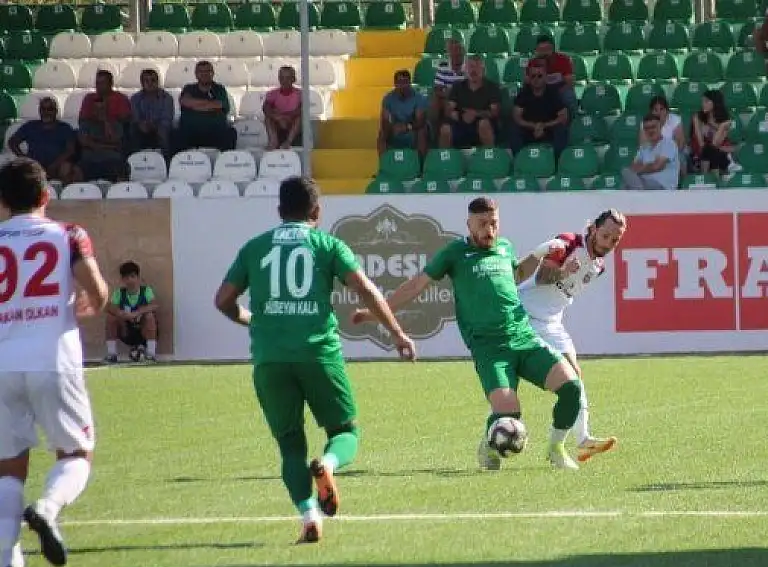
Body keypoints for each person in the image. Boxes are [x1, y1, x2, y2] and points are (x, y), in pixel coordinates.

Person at [213, 176, 415, 545]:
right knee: (345, 433)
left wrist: (250, 319)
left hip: (270, 360)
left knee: (290, 445)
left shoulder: (255, 247)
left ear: (279, 211)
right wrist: (398, 334)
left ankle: (309, 515)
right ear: (317, 212)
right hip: (319, 354)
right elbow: (365, 289)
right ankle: (329, 465)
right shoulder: (328, 245)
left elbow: (223, 300)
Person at [352, 197, 585, 471]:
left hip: (523, 336)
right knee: (508, 415)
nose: (489, 230)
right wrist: (376, 312)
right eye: (483, 224)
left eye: (494, 223)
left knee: (572, 388)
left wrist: (537, 254)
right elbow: (415, 286)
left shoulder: (504, 247)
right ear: (469, 224)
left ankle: (556, 448)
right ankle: (488, 445)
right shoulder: (454, 253)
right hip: (490, 348)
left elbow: (517, 274)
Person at [0, 157, 110, 567]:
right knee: (76, 455)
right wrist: (91, 301)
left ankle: (7, 562)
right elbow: (97, 290)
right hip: (52, 359)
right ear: (46, 196)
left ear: (3, 201)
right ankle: (47, 508)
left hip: (3, 361)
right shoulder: (68, 235)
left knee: (8, 467)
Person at [516, 210, 626, 463]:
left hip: (551, 322)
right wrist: (564, 270)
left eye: (615, 240)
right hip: (524, 315)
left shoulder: (599, 267)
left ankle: (582, 439)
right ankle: (500, 431)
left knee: (575, 375)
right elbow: (543, 278)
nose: (609, 243)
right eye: (606, 235)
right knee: (520, 377)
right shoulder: (566, 243)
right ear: (593, 229)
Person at [8, 97, 79, 185]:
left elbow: (70, 150)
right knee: (17, 167)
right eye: (43, 109)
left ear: (56, 111)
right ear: (39, 110)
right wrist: (25, 159)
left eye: (50, 109)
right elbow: (12, 142)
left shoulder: (65, 128)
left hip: (56, 167)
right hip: (33, 166)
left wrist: (55, 164)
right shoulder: (30, 126)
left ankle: (63, 193)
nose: (46, 112)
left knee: (67, 167)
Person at [174, 60, 237, 153]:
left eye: (208, 71)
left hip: (215, 133)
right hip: (191, 133)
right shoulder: (189, 88)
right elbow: (185, 102)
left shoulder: (219, 89)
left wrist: (195, 105)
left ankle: (225, 164)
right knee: (174, 134)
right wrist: (210, 104)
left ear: (213, 73)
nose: (205, 74)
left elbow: (220, 105)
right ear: (196, 74)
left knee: (231, 133)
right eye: (201, 72)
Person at [103, 261, 159, 364]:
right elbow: (109, 307)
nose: (130, 280)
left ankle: (151, 355)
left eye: (132, 276)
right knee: (111, 318)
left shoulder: (146, 291)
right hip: (126, 330)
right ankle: (112, 354)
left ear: (138, 277)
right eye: (126, 277)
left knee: (149, 316)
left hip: (143, 331)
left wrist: (137, 313)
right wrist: (121, 313)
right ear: (122, 279)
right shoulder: (119, 293)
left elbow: (154, 305)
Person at [511, 58, 568, 157]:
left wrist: (543, 126)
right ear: (529, 78)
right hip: (529, 129)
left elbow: (563, 116)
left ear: (546, 77)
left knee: (561, 129)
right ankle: (519, 160)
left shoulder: (553, 93)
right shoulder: (523, 93)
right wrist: (534, 126)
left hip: (548, 129)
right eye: (533, 76)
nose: (536, 79)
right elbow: (516, 117)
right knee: (514, 130)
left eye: (540, 76)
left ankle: (557, 161)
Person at [441, 56, 501, 149]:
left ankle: (489, 158)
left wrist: (476, 114)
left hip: (483, 123)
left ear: (483, 69)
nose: (473, 70)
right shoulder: (457, 87)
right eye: (470, 67)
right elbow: (448, 110)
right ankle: (446, 161)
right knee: (445, 129)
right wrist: (459, 115)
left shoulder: (492, 87)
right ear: (465, 70)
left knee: (484, 124)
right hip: (461, 123)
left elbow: (495, 112)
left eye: (477, 67)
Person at [377, 69, 428, 159]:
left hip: (412, 129)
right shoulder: (388, 99)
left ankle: (421, 165)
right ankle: (384, 164)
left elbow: (420, 120)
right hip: (395, 129)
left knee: (422, 131)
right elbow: (385, 119)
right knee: (382, 133)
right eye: (399, 82)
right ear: (395, 84)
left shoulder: (419, 98)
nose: (403, 85)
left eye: (405, 82)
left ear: (410, 83)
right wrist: (392, 127)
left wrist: (407, 127)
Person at [621, 114, 681, 190]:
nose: (650, 130)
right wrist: (648, 166)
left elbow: (657, 166)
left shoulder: (669, 143)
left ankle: (639, 196)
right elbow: (634, 167)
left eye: (653, 127)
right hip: (644, 183)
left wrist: (641, 168)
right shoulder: (643, 148)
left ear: (660, 127)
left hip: (663, 186)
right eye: (647, 128)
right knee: (626, 173)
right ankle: (639, 195)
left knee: (627, 176)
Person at [128, 68, 174, 157]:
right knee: (132, 131)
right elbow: (135, 117)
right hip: (141, 127)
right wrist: (142, 124)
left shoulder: (167, 98)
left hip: (160, 127)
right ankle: (134, 162)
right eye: (146, 80)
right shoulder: (135, 98)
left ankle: (166, 162)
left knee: (164, 132)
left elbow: (167, 119)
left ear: (158, 82)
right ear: (142, 83)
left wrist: (153, 125)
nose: (150, 83)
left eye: (153, 80)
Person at [689, 90, 734, 174]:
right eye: (702, 101)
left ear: (715, 103)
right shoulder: (697, 117)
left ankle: (706, 180)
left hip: (717, 154)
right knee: (708, 150)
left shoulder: (724, 121)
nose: (703, 104)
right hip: (700, 154)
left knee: (713, 153)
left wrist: (717, 125)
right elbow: (701, 144)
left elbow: (716, 143)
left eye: (706, 101)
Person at [263, 66, 302, 150]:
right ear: (279, 79)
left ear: (293, 79)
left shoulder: (300, 94)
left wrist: (288, 116)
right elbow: (266, 109)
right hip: (278, 123)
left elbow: (302, 109)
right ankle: (273, 141)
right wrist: (277, 117)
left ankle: (288, 142)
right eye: (282, 78)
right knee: (268, 119)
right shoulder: (272, 93)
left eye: (288, 78)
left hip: (293, 123)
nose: (284, 81)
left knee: (299, 118)